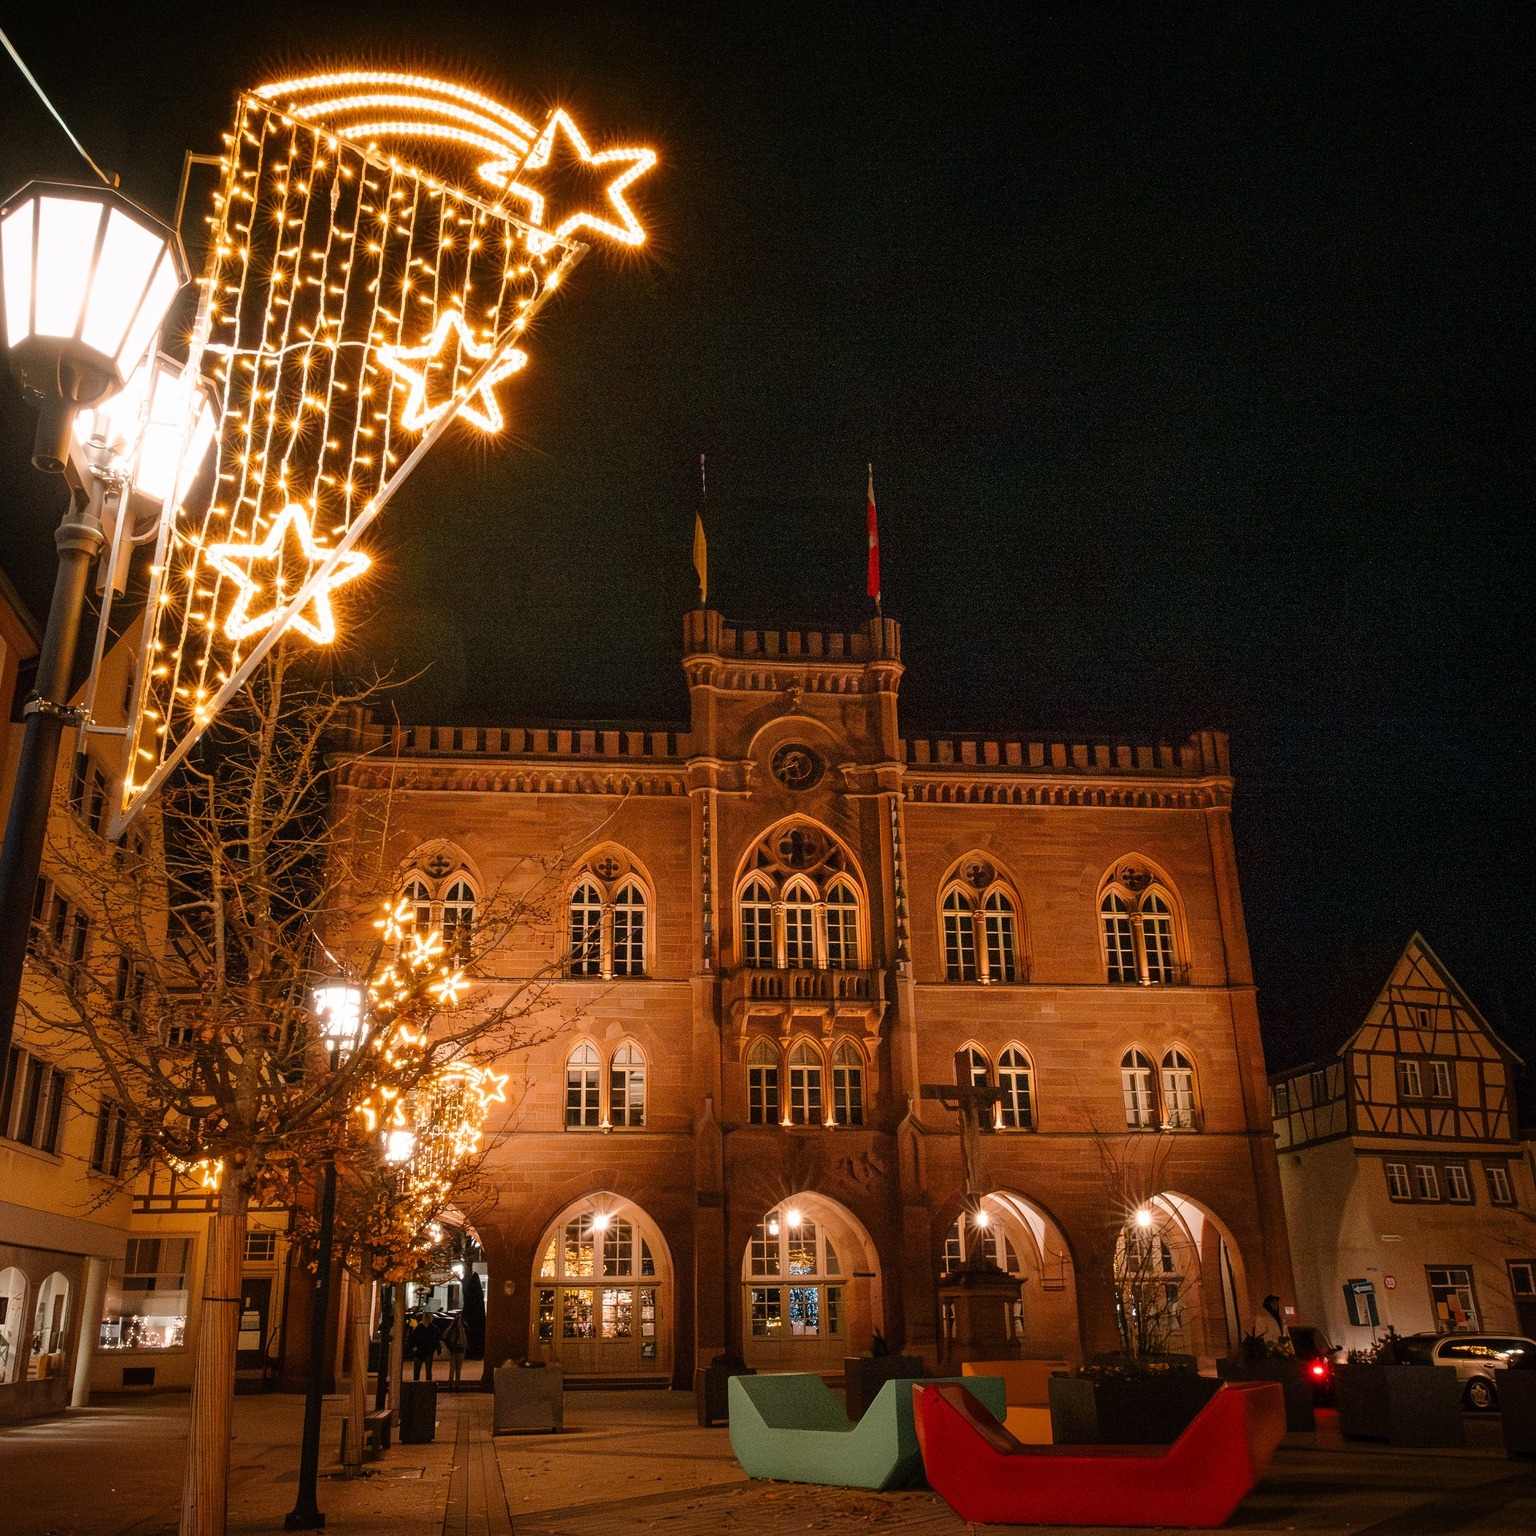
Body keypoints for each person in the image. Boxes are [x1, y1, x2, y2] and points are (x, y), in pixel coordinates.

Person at [408, 1309, 440, 1382]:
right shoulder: (433, 1328)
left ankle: (416, 1385)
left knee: (417, 1371)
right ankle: (427, 1385)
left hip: (419, 1352)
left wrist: (413, 1347)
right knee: (428, 1371)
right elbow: (435, 1340)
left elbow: (413, 1339)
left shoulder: (419, 1327)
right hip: (428, 1352)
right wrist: (435, 1349)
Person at [442, 1311, 468, 1387]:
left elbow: (444, 1336)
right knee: (458, 1369)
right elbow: (464, 1339)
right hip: (459, 1350)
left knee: (452, 1368)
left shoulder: (451, 1328)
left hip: (453, 1349)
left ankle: (451, 1384)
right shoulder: (462, 1328)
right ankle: (457, 1385)